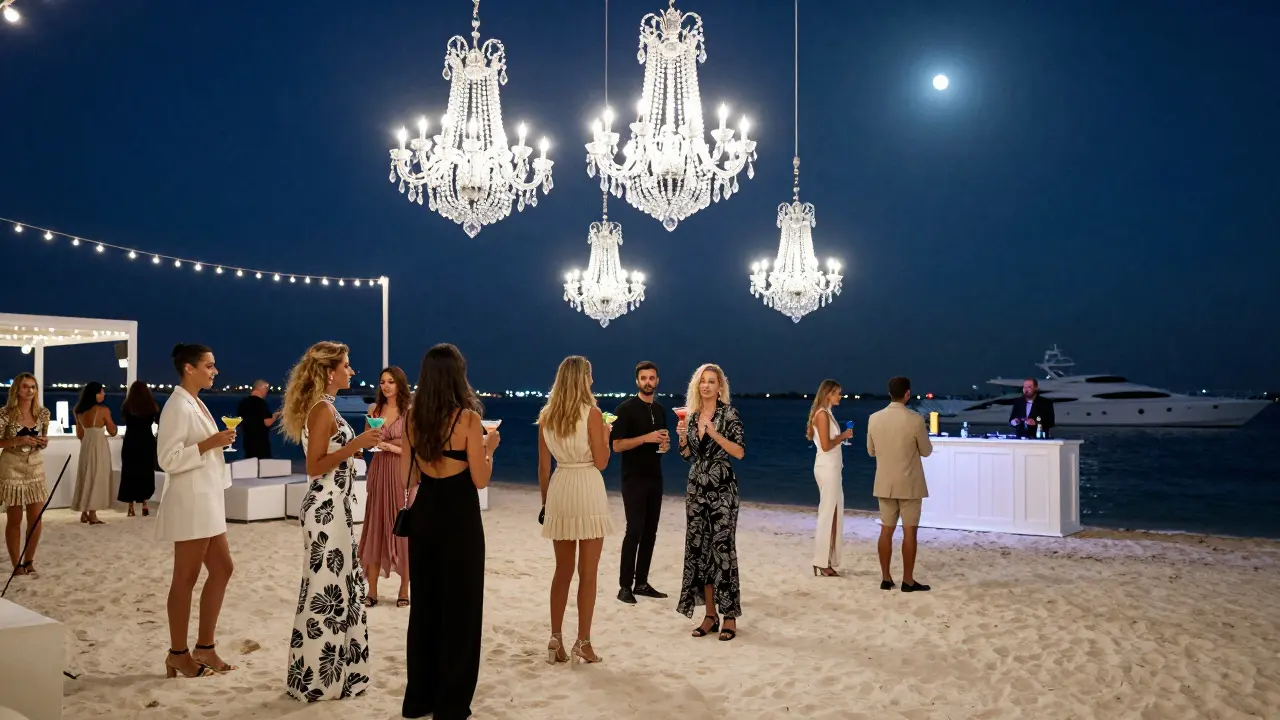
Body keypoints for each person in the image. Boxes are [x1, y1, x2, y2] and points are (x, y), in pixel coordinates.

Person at [401, 343, 498, 720]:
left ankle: (419, 699)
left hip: (425, 514)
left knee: (425, 607)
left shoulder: (413, 419)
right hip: (459, 519)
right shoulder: (468, 420)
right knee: (461, 609)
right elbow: (480, 479)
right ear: (458, 376)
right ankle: (451, 704)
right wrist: (490, 448)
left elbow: (407, 476)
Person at [280, 341, 379, 703]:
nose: (351, 371)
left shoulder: (328, 407)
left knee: (339, 588)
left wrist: (354, 450)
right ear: (329, 371)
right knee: (326, 592)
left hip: (336, 507)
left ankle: (338, 675)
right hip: (325, 508)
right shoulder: (322, 410)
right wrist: (356, 445)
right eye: (346, 366)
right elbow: (314, 466)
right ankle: (318, 680)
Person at [154, 343, 239, 678]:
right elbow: (167, 459)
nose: (214, 371)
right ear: (189, 368)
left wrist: (216, 442)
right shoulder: (177, 405)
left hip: (207, 499)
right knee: (185, 577)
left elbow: (199, 448)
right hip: (190, 502)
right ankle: (178, 652)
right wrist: (210, 443)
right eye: (209, 365)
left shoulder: (196, 402)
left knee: (223, 568)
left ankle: (205, 647)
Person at [538, 356, 614, 665]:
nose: (592, 380)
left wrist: (547, 504)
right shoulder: (592, 414)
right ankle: (583, 641)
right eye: (590, 375)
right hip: (587, 487)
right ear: (582, 379)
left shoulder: (547, 416)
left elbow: (543, 468)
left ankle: (555, 637)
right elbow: (602, 461)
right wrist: (606, 436)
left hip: (560, 487)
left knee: (562, 570)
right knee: (588, 573)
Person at [676, 363, 746, 642]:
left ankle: (729, 616)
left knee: (722, 550)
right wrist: (683, 437)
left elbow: (739, 452)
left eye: (711, 381)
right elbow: (686, 455)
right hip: (696, 488)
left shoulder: (729, 414)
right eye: (702, 381)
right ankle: (710, 615)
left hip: (722, 488)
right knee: (700, 550)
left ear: (720, 387)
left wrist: (715, 433)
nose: (706, 385)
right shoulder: (692, 416)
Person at [609, 360, 670, 604]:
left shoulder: (660, 410)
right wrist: (646, 438)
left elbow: (660, 441)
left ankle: (642, 583)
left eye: (651, 378)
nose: (648, 382)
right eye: (643, 378)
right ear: (637, 381)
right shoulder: (625, 409)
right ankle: (624, 587)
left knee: (650, 532)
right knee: (633, 531)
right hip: (633, 479)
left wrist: (664, 445)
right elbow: (616, 445)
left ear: (657, 381)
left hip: (655, 477)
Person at [866, 376, 933, 592]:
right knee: (909, 532)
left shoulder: (874, 418)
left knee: (886, 531)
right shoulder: (915, 419)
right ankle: (908, 580)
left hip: (885, 483)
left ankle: (886, 578)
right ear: (907, 394)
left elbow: (871, 451)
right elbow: (926, 451)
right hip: (909, 484)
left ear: (889, 393)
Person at [359, 366, 412, 608]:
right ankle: (372, 590)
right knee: (376, 528)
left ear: (400, 384)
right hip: (379, 472)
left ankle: (404, 589)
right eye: (382, 382)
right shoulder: (375, 410)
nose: (386, 386)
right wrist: (373, 440)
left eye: (391, 381)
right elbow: (366, 442)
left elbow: (415, 448)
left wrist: (390, 446)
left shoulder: (410, 411)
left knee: (402, 530)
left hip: (401, 473)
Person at [0, 372, 50, 577]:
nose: (30, 390)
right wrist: (17, 441)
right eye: (25, 386)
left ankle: (29, 560)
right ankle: (16, 564)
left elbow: (43, 437)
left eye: (33, 386)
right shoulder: (5, 414)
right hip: (12, 466)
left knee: (36, 518)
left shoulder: (43, 414)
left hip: (35, 466)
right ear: (17, 390)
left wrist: (43, 442)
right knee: (14, 519)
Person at [806, 379, 853, 577]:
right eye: (837, 393)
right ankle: (821, 561)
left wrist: (841, 438)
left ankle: (827, 559)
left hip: (832, 467)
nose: (840, 396)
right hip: (827, 468)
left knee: (834, 513)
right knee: (828, 514)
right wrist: (843, 436)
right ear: (828, 394)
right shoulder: (822, 415)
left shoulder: (827, 413)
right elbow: (826, 445)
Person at [71, 381, 115, 525]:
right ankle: (93, 513)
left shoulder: (78, 410)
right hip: (99, 445)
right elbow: (113, 431)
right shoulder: (103, 410)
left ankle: (84, 513)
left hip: (86, 445)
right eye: (101, 391)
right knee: (97, 476)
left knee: (85, 475)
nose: (104, 394)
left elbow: (80, 434)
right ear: (95, 394)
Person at [119, 380, 160, 517]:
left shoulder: (127, 406)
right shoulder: (151, 406)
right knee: (146, 472)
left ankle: (130, 506)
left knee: (129, 472)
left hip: (131, 441)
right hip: (146, 441)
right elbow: (159, 420)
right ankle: (145, 504)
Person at [236, 380, 279, 459]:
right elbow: (267, 422)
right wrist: (276, 415)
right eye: (266, 389)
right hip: (261, 443)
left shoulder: (243, 403)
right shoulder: (261, 403)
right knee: (263, 463)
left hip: (247, 442)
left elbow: (240, 421)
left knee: (250, 462)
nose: (266, 392)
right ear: (260, 388)